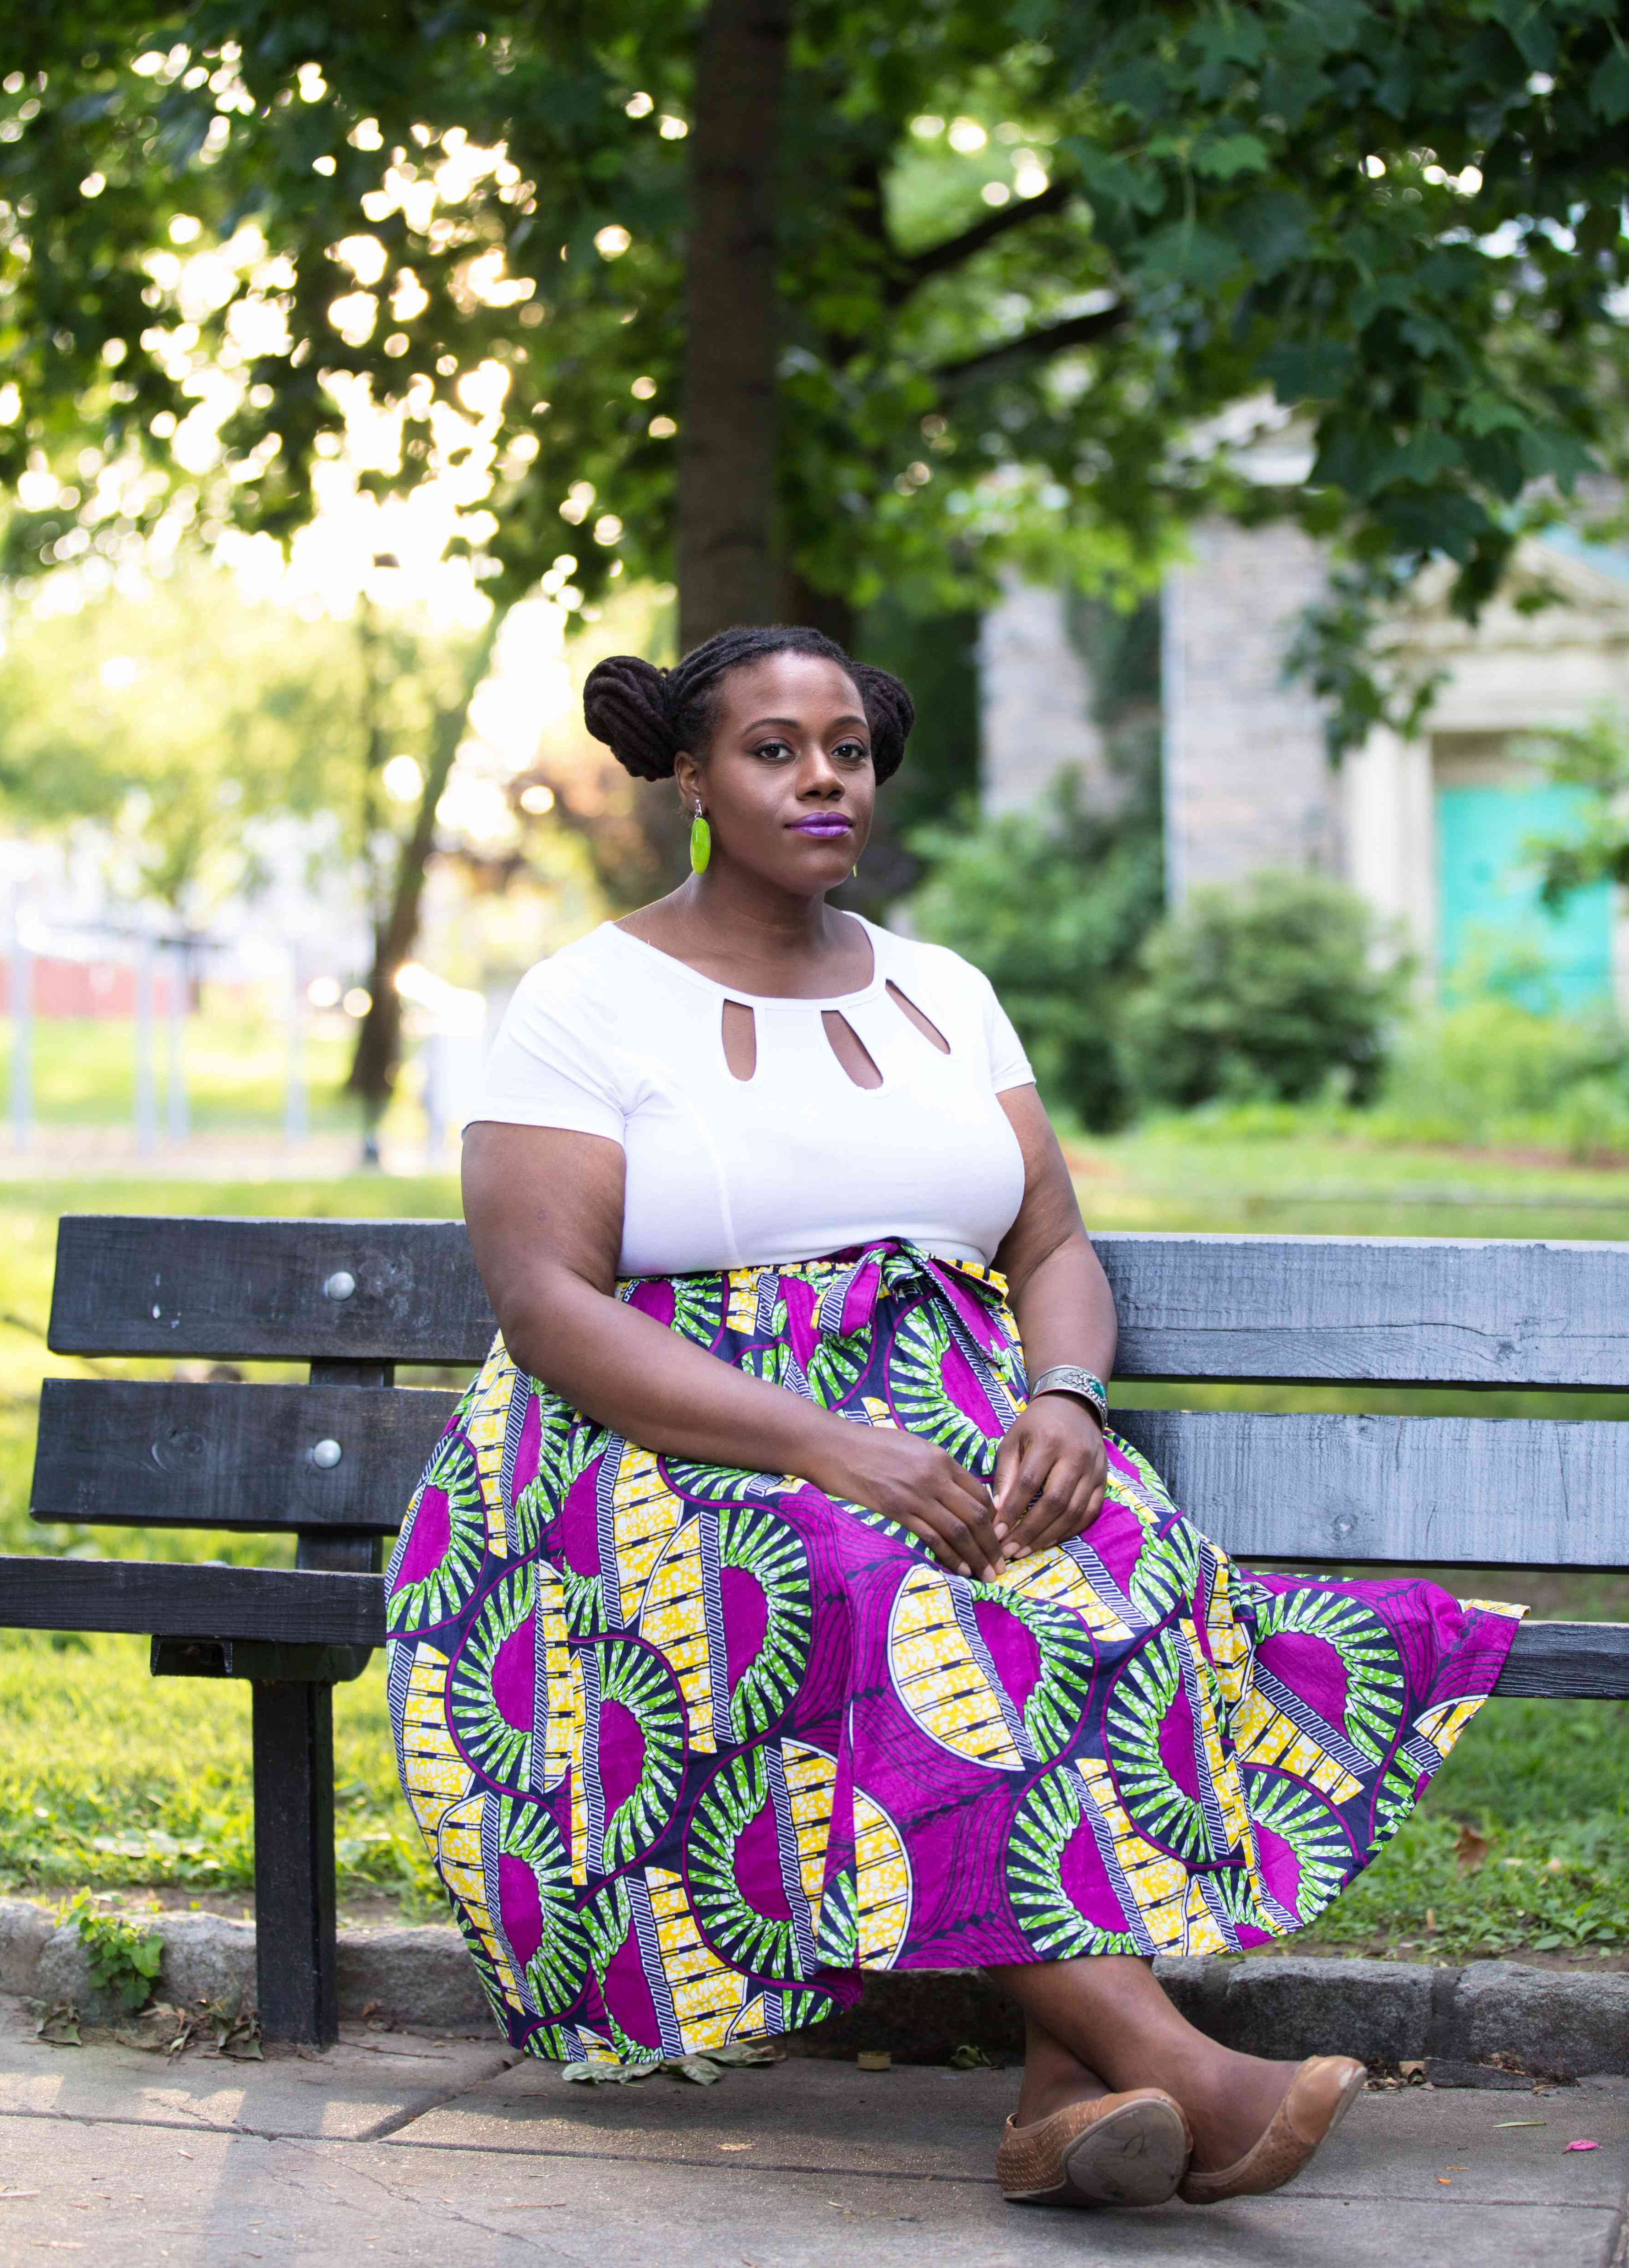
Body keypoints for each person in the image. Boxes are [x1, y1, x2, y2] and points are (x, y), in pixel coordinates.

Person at [385, 623, 1525, 2211]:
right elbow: (547, 1304)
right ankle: (1191, 2073)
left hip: (948, 1422)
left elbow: (1049, 1240)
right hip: (655, 1453)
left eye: (845, 745)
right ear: (697, 777)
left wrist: (1064, 1394)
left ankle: (1071, 2092)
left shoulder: (943, 992)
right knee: (885, 1603)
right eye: (774, 748)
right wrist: (827, 1445)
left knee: (1106, 1587)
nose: (822, 776)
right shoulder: (589, 1000)